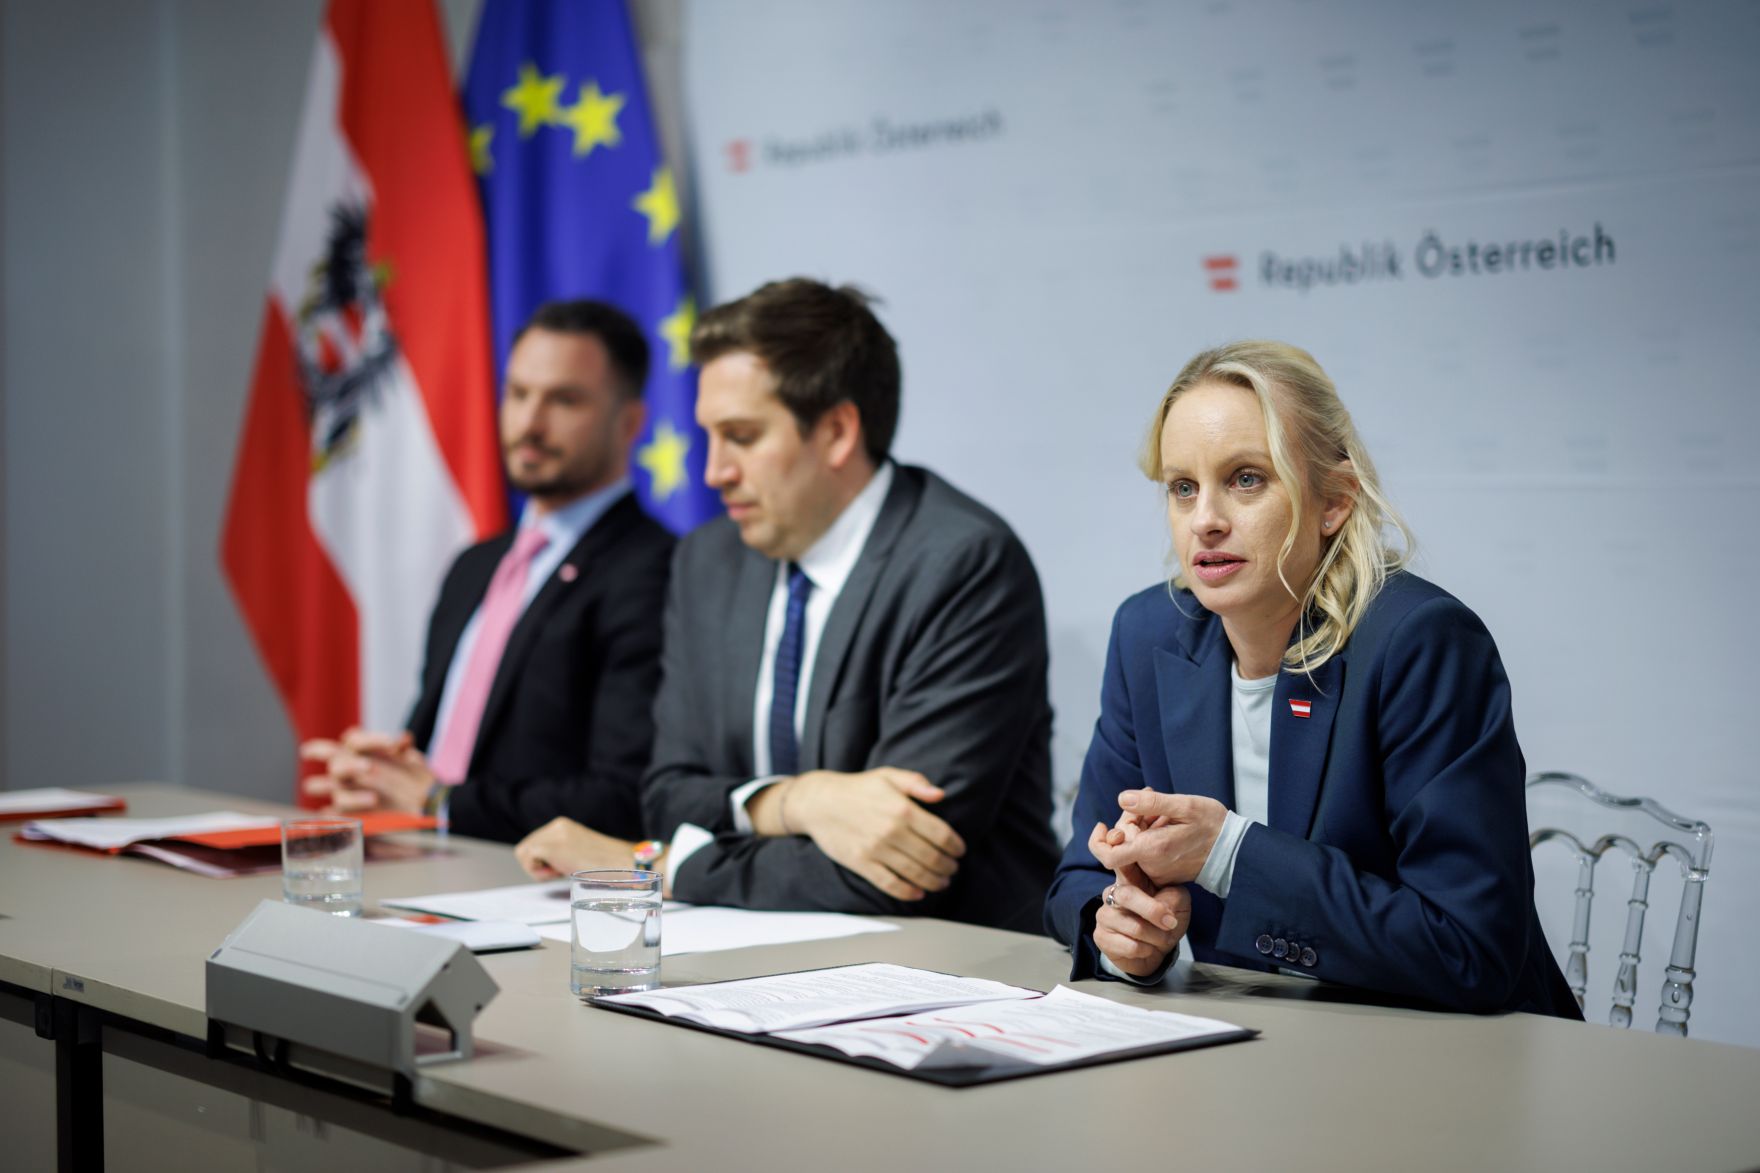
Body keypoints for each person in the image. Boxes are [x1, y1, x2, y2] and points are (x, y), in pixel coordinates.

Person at [1044, 340, 1580, 1016]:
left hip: (1447, 1063)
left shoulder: (1421, 643)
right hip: (1246, 1045)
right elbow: (1079, 877)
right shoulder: (1147, 635)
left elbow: (1469, 949)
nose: (1205, 518)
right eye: (1183, 486)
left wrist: (1228, 854)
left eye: (1246, 478)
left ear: (1334, 501)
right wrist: (1120, 927)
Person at [513, 278, 1059, 933]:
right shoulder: (706, 561)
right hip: (753, 950)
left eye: (741, 436)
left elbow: (901, 864)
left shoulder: (962, 563)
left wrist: (660, 868)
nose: (714, 471)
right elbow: (665, 794)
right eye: (709, 437)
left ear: (835, 431)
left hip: (960, 966)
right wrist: (801, 801)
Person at [300, 300, 675, 843]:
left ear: (630, 422)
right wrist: (380, 776)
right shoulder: (476, 566)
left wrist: (442, 803)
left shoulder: (656, 570)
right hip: (424, 865)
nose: (530, 422)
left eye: (564, 400)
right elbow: (437, 752)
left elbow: (625, 795)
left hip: (534, 891)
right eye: (518, 394)